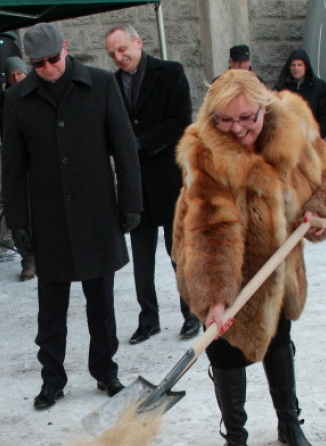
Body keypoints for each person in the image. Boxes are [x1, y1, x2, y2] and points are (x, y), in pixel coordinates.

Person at [172, 70, 326, 446]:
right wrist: (215, 297)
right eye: (225, 120)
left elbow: (324, 167)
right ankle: (237, 441)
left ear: (265, 107)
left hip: (278, 262)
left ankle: (289, 422)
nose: (237, 129)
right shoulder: (205, 152)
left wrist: (316, 207)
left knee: (278, 338)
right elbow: (210, 229)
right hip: (220, 261)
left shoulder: (295, 127)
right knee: (227, 351)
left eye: (247, 118)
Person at [1, 22, 142, 410]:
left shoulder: (101, 85)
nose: (47, 68)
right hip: (49, 220)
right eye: (38, 63)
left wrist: (131, 202)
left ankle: (105, 371)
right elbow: (12, 166)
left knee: (102, 306)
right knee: (50, 310)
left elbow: (124, 149)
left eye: (53, 59)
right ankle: (52, 378)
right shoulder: (18, 99)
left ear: (65, 48)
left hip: (97, 214)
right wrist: (18, 221)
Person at [104, 24, 200, 343]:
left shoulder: (170, 73)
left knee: (179, 253)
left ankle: (192, 313)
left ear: (138, 42)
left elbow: (180, 121)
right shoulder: (111, 84)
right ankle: (148, 319)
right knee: (141, 260)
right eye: (112, 54)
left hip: (170, 182)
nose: (119, 57)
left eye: (122, 50)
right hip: (135, 186)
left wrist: (139, 144)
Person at [0, 55, 36, 282]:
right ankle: (28, 258)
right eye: (12, 76)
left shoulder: (38, 93)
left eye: (20, 74)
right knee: (20, 208)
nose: (17, 79)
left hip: (39, 159)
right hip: (17, 160)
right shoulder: (4, 101)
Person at [274, 48, 326, 138]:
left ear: (306, 66)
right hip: (287, 139)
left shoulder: (320, 87)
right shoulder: (281, 87)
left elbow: (325, 116)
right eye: (293, 65)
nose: (296, 68)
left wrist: (317, 137)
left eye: (299, 65)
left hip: (311, 138)